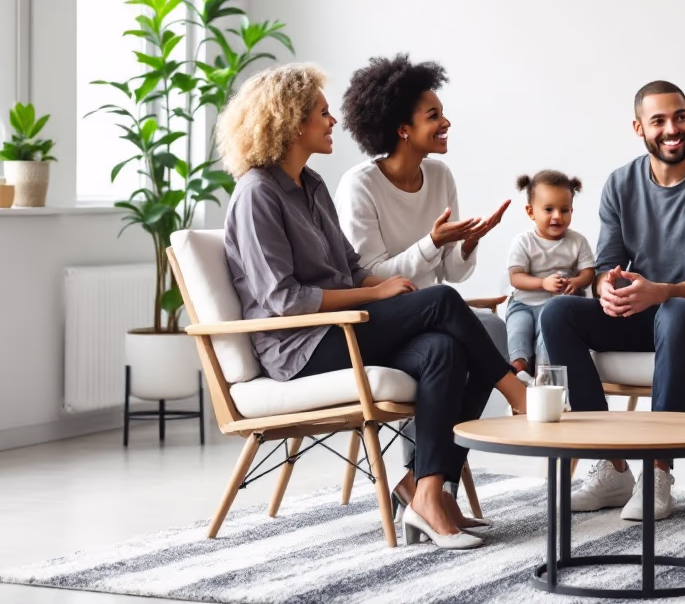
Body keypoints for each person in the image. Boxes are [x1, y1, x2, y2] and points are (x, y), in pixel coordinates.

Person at [218, 63, 529, 552]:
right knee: (443, 301)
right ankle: (518, 394)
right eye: (322, 113)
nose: (332, 122)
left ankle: (426, 492)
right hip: (301, 345)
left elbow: (350, 266)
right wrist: (375, 293)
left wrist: (384, 286)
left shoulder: (312, 185)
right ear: (292, 122)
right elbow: (284, 301)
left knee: (443, 351)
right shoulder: (257, 194)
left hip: (343, 329)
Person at [540, 81, 685, 521]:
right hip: (650, 310)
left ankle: (657, 472)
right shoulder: (619, 184)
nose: (673, 129)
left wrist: (663, 290)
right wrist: (606, 289)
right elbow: (608, 263)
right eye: (659, 121)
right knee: (559, 312)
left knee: (674, 312)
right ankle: (612, 467)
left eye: (681, 117)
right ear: (639, 127)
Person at [334, 54, 512, 360]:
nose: (446, 123)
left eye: (442, 114)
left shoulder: (439, 175)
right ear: (403, 129)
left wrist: (468, 244)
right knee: (473, 333)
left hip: (434, 309)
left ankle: (463, 412)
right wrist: (432, 243)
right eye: (433, 116)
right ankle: (514, 393)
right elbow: (370, 276)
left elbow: (452, 273)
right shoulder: (359, 186)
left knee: (493, 327)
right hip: (382, 318)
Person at [505, 170, 596, 379]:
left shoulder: (577, 241)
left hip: (556, 309)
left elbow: (589, 272)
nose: (557, 216)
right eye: (548, 209)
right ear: (530, 212)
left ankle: (543, 377)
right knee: (518, 329)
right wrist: (542, 283)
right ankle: (519, 368)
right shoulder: (523, 242)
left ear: (572, 211)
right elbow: (516, 277)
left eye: (564, 210)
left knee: (547, 337)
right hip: (524, 304)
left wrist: (577, 281)